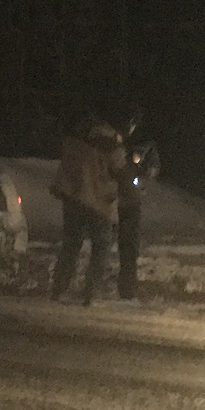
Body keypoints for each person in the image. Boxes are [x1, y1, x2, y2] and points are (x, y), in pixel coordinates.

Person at [49, 112, 124, 304]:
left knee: (71, 244)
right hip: (101, 202)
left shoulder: (75, 139)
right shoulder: (111, 144)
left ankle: (59, 288)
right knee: (101, 247)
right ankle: (91, 292)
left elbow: (66, 166)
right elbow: (119, 170)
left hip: (74, 198)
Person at [116, 108, 160, 301]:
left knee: (128, 246)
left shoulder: (143, 144)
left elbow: (153, 167)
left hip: (128, 200)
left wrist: (142, 180)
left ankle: (126, 289)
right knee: (111, 244)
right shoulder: (116, 141)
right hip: (114, 199)